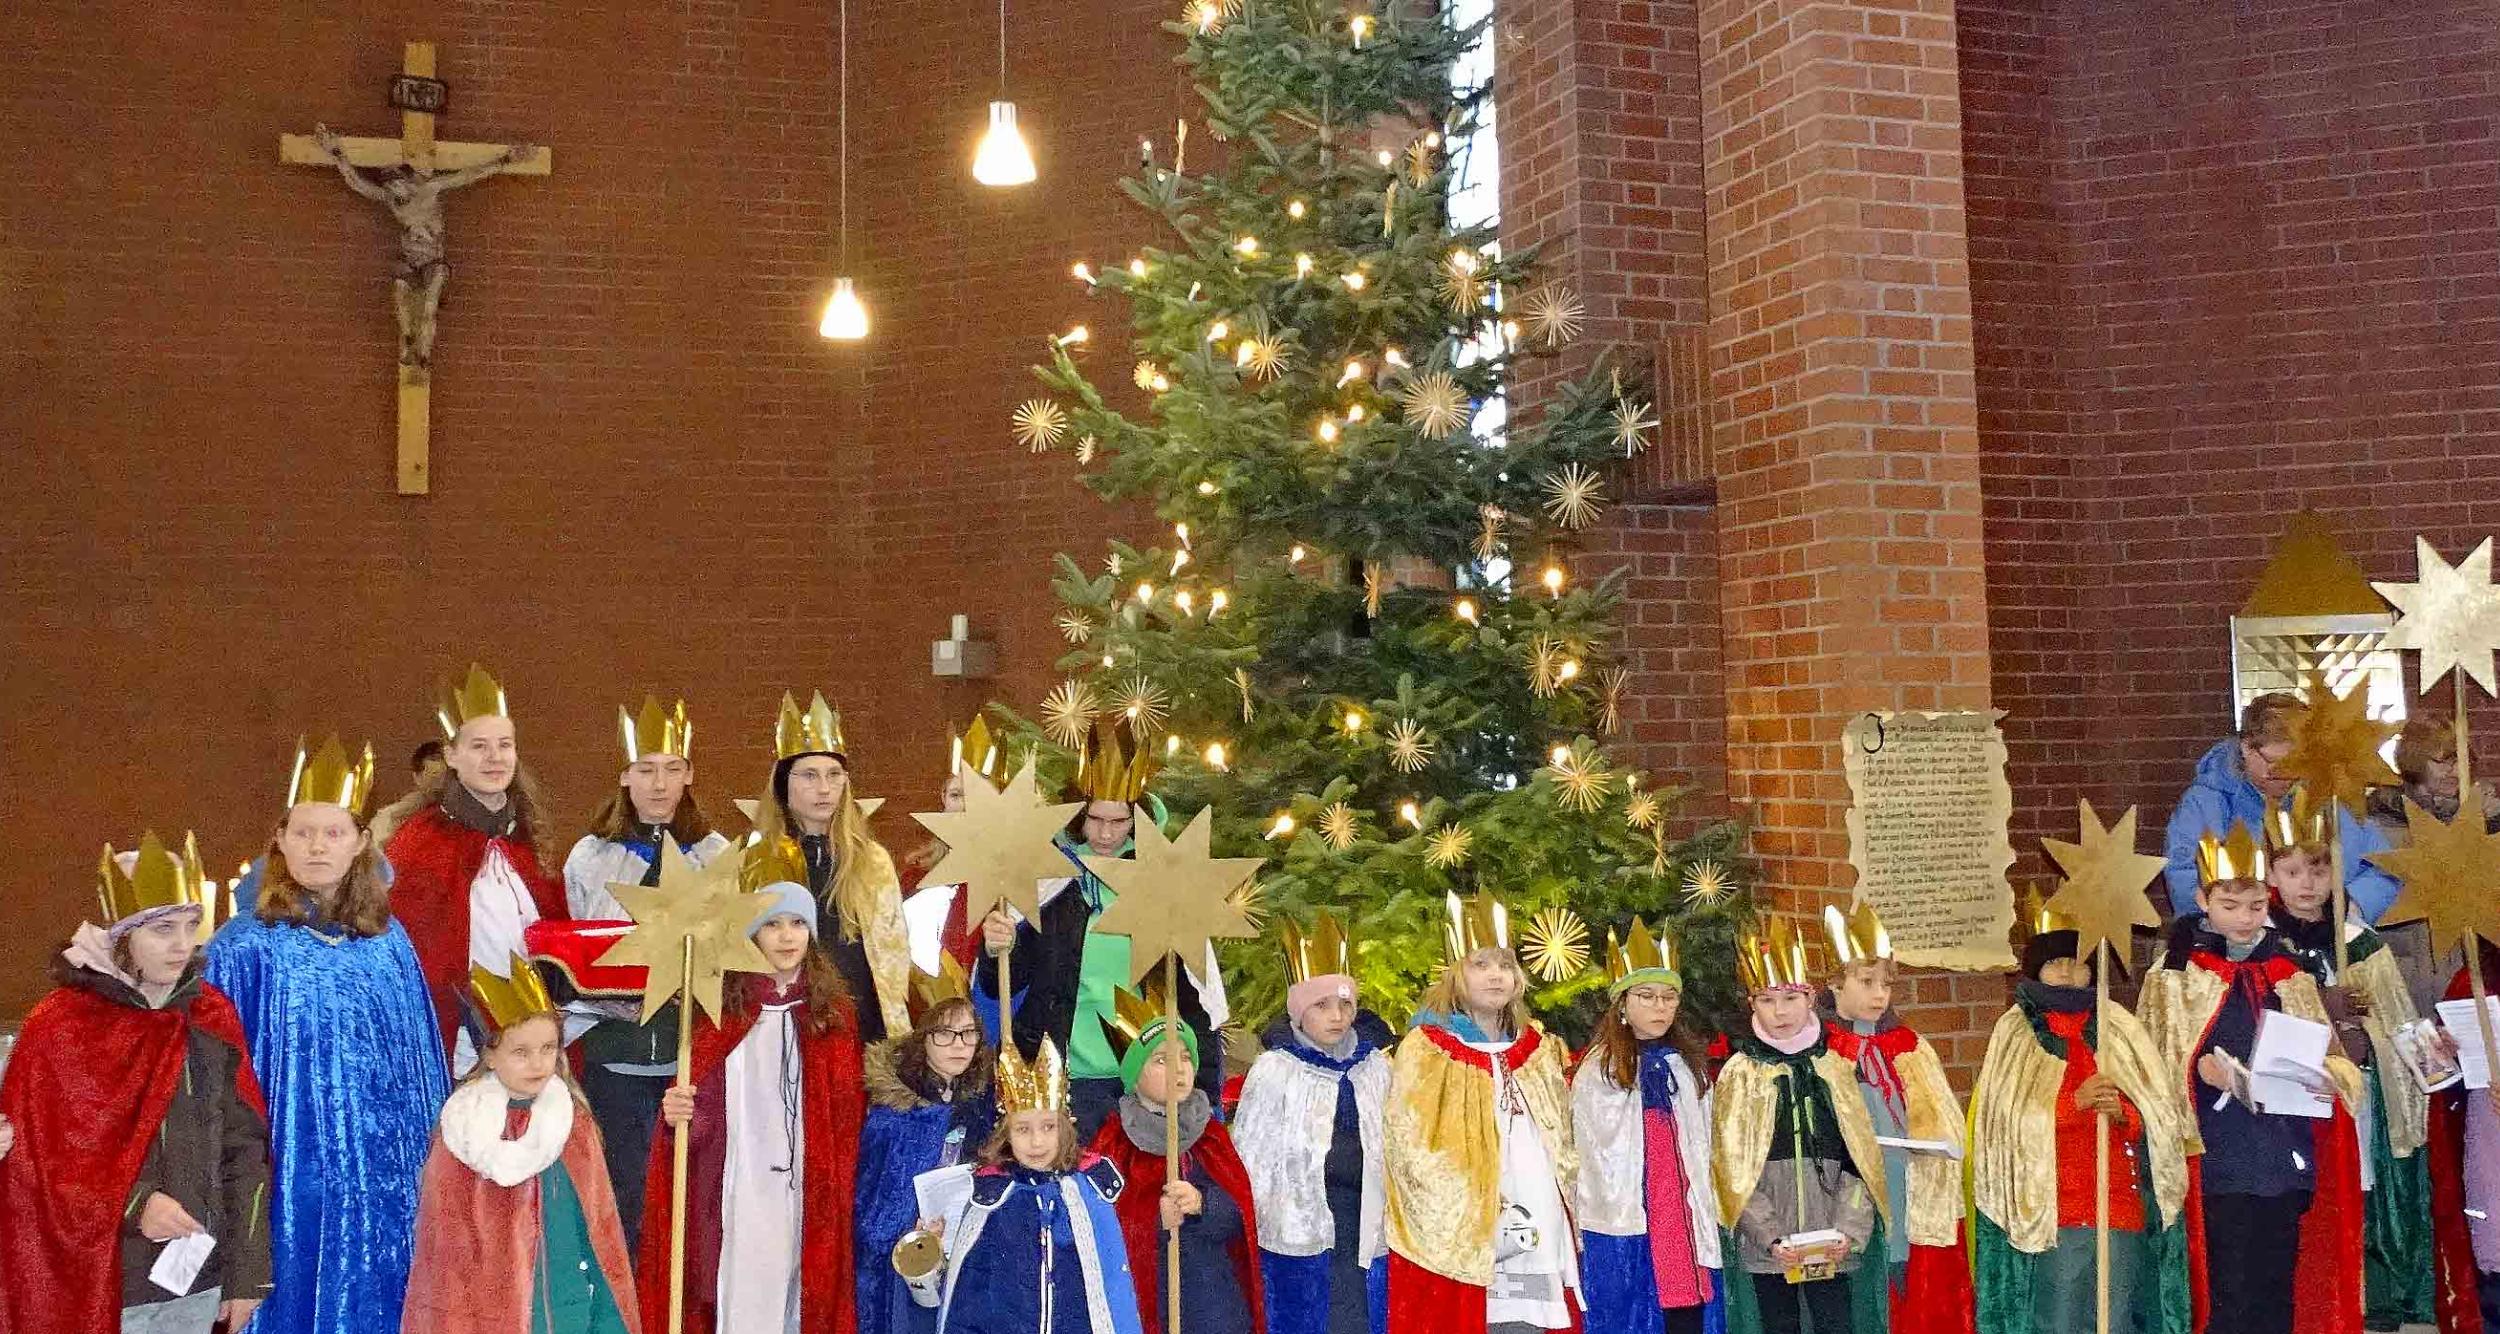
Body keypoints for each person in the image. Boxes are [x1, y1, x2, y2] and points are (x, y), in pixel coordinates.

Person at [206, 735, 450, 1334]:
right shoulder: (243, 948)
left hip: (383, 1173)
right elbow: (218, 1077)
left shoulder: (389, 943)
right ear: (280, 844)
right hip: (288, 1168)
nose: (317, 846)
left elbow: (420, 1066)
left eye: (333, 832)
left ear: (362, 842)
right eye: (303, 833)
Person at [0, 831, 272, 1334]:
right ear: (123, 936)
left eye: (191, 925)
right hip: (101, 1277)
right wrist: (136, 1203)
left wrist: (246, 1276)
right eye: (162, 929)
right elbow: (41, 1157)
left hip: (197, 1279)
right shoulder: (64, 1024)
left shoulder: (209, 1019)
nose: (182, 944)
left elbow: (244, 1148)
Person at [2138, 822, 2365, 1334]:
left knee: (2274, 1285)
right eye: (2230, 906)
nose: (2245, 919)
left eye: (2256, 906)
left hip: (2283, 1155)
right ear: (2202, 900)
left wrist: (2328, 1078)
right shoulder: (2174, 977)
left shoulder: (2289, 971)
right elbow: (2152, 1067)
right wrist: (2195, 1069)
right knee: (2229, 1290)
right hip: (2219, 1157)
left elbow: (2336, 1062)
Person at [637, 847, 865, 1334]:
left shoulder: (832, 1015)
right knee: (739, 1280)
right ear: (752, 935)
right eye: (773, 924)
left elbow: (845, 1115)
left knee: (799, 1282)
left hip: (806, 1180)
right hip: (737, 1180)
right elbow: (700, 1112)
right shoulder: (723, 1011)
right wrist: (683, 1116)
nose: (787, 936)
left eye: (797, 924)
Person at [974, 725, 1224, 1138]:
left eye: (1119, 821)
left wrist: (1204, 1089)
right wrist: (998, 947)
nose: (1106, 834)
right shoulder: (1047, 879)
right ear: (1078, 813)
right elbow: (1005, 982)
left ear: (1138, 818)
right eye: (1096, 820)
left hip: (1143, 1080)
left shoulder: (1159, 880)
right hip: (1061, 1075)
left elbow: (1194, 991)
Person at [1967, 908, 2190, 1334]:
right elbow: (2004, 1126)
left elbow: (2161, 1116)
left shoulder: (2120, 1027)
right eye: (2056, 964)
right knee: (2062, 1318)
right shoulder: (2016, 1031)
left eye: (2079, 963)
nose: (2068, 973)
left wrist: (2125, 1114)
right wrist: (2074, 1104)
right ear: (2037, 970)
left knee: (2117, 1316)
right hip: (2059, 1212)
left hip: (2119, 1208)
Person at [561, 695, 732, 1244]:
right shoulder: (591, 856)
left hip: (691, 1054)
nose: (659, 784)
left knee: (694, 1206)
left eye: (672, 770)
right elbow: (575, 950)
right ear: (625, 776)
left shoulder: (716, 854)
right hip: (617, 1055)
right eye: (646, 770)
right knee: (626, 1202)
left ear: (689, 776)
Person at [2265, 793, 2435, 1331]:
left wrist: (2409, 1048)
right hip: (2292, 1097)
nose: (2306, 884)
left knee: (2358, 1188)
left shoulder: (2357, 942)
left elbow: (2397, 1018)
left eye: (2318, 870)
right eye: (2292, 871)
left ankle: (2372, 1300)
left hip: (2356, 1091)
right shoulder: (2262, 940)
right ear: (2273, 873)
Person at [401, 958, 639, 1334]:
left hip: (568, 1297)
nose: (538, 1063)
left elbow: (599, 1226)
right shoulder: (463, 1128)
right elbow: (445, 1242)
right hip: (487, 1306)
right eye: (521, 1052)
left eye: (548, 1048)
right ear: (490, 1056)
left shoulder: (572, 1123)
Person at [1382, 892, 1579, 1334]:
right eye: (1481, 965)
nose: (1497, 976)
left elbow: (1562, 1138)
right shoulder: (1429, 1049)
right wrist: (1478, 1209)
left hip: (1537, 1215)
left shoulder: (1537, 1050)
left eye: (1506, 965)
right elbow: (1411, 1144)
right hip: (1463, 1227)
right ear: (1456, 974)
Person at [386, 664, 570, 1070]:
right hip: (458, 1045)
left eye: (504, 745)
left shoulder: (526, 836)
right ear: (451, 754)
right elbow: (411, 952)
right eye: (479, 746)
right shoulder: (419, 842)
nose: (494, 758)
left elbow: (555, 936)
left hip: (532, 1040)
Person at [1714, 918, 1883, 1334]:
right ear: (1752, 1004)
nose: (1781, 1011)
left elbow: (1859, 1161)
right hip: (1771, 1249)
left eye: (1791, 997)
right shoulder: (1741, 1074)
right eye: (1768, 1000)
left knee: (1836, 1324)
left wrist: (1848, 1231)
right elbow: (1733, 1168)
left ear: (1810, 999)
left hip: (1833, 1241)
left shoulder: (1834, 1068)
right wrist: (1770, 1237)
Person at [906, 1037, 1143, 1334]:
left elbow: (1114, 1292)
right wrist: (931, 1252)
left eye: (1048, 1126)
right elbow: (963, 1297)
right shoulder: (991, 1200)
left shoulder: (1088, 1193)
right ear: (1006, 1134)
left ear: (1065, 1126)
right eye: (1022, 1129)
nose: (1036, 1142)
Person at [1233, 911, 1393, 1334]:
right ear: (1299, 1012)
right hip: (1300, 1227)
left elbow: (1394, 1135)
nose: (1336, 1016)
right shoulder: (1275, 1069)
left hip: (1367, 1220)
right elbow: (1253, 1153)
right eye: (1321, 1005)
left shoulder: (1374, 1066)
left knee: (1363, 1315)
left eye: (1345, 1005)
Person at [1819, 905, 1971, 1334]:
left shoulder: (1910, 1045)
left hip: (1911, 1185)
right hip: (1851, 1191)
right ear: (1835, 983)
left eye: (1886, 984)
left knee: (1910, 1286)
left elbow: (1944, 1115)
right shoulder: (1822, 1050)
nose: (1879, 994)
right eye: (1866, 982)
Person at [1089, 983, 1266, 1334]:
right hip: (1150, 1299)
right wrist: (1153, 1218)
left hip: (1212, 1299)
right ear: (1134, 1075)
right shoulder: (1113, 1142)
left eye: (1186, 1057)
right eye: (1161, 1060)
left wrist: (1203, 1203)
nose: (1179, 1068)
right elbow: (1100, 1227)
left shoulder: (1210, 1135)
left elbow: (1240, 1214)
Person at [1569, 920, 1717, 1334]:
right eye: (1647, 996)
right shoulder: (1600, 1069)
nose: (1660, 1007)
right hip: (1629, 1215)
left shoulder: (1685, 1064)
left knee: (1684, 1305)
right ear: (1621, 1003)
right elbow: (1592, 1151)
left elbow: (1705, 1141)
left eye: (1669, 998)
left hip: (1680, 1210)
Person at [753, 689, 912, 1039]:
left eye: (834, 774)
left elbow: (893, 958)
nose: (824, 788)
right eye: (809, 775)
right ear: (783, 783)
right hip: (786, 1029)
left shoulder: (872, 861)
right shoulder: (757, 862)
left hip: (863, 1029)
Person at [856, 959, 1000, 1334]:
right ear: (923, 1038)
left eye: (968, 1034)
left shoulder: (983, 1103)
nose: (959, 1045)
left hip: (969, 1256)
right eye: (945, 1034)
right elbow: (874, 1211)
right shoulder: (895, 1116)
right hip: (909, 1269)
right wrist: (913, 1228)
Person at [2163, 692, 2396, 920]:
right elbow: (2182, 875)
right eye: (2274, 763)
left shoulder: (2331, 796)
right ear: (2246, 748)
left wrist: (2352, 907)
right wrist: (2229, 920)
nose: (2283, 775)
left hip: (2323, 935)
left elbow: (2387, 866)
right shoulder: (2205, 802)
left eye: (2294, 764)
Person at [901, 717, 1003, 974]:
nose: (966, 806)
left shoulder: (1011, 878)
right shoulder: (915, 877)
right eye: (957, 795)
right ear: (943, 799)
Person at [371, 738, 448, 846]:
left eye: (449, 779)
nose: (442, 788)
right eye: (434, 778)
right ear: (417, 777)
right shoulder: (390, 819)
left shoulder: (468, 819)